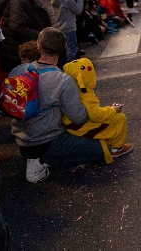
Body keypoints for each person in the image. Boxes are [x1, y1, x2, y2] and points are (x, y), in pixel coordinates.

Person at [9, 28, 114, 183]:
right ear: (65, 46)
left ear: (38, 46)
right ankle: (43, 161)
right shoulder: (62, 80)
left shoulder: (18, 70)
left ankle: (36, 158)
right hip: (49, 141)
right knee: (104, 149)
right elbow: (79, 117)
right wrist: (94, 107)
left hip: (21, 138)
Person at [62, 58, 132, 164]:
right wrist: (113, 109)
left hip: (69, 123)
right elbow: (96, 116)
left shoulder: (69, 86)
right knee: (119, 118)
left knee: (108, 115)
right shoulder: (85, 92)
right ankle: (117, 148)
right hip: (79, 127)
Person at [0, 0, 52, 78]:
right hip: (17, 57)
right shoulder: (18, 0)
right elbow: (17, 27)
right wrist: (45, 36)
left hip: (17, 55)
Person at [50, 0, 84, 67]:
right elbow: (78, 10)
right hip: (69, 28)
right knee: (72, 49)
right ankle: (69, 68)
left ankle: (62, 66)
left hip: (56, 28)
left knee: (61, 51)